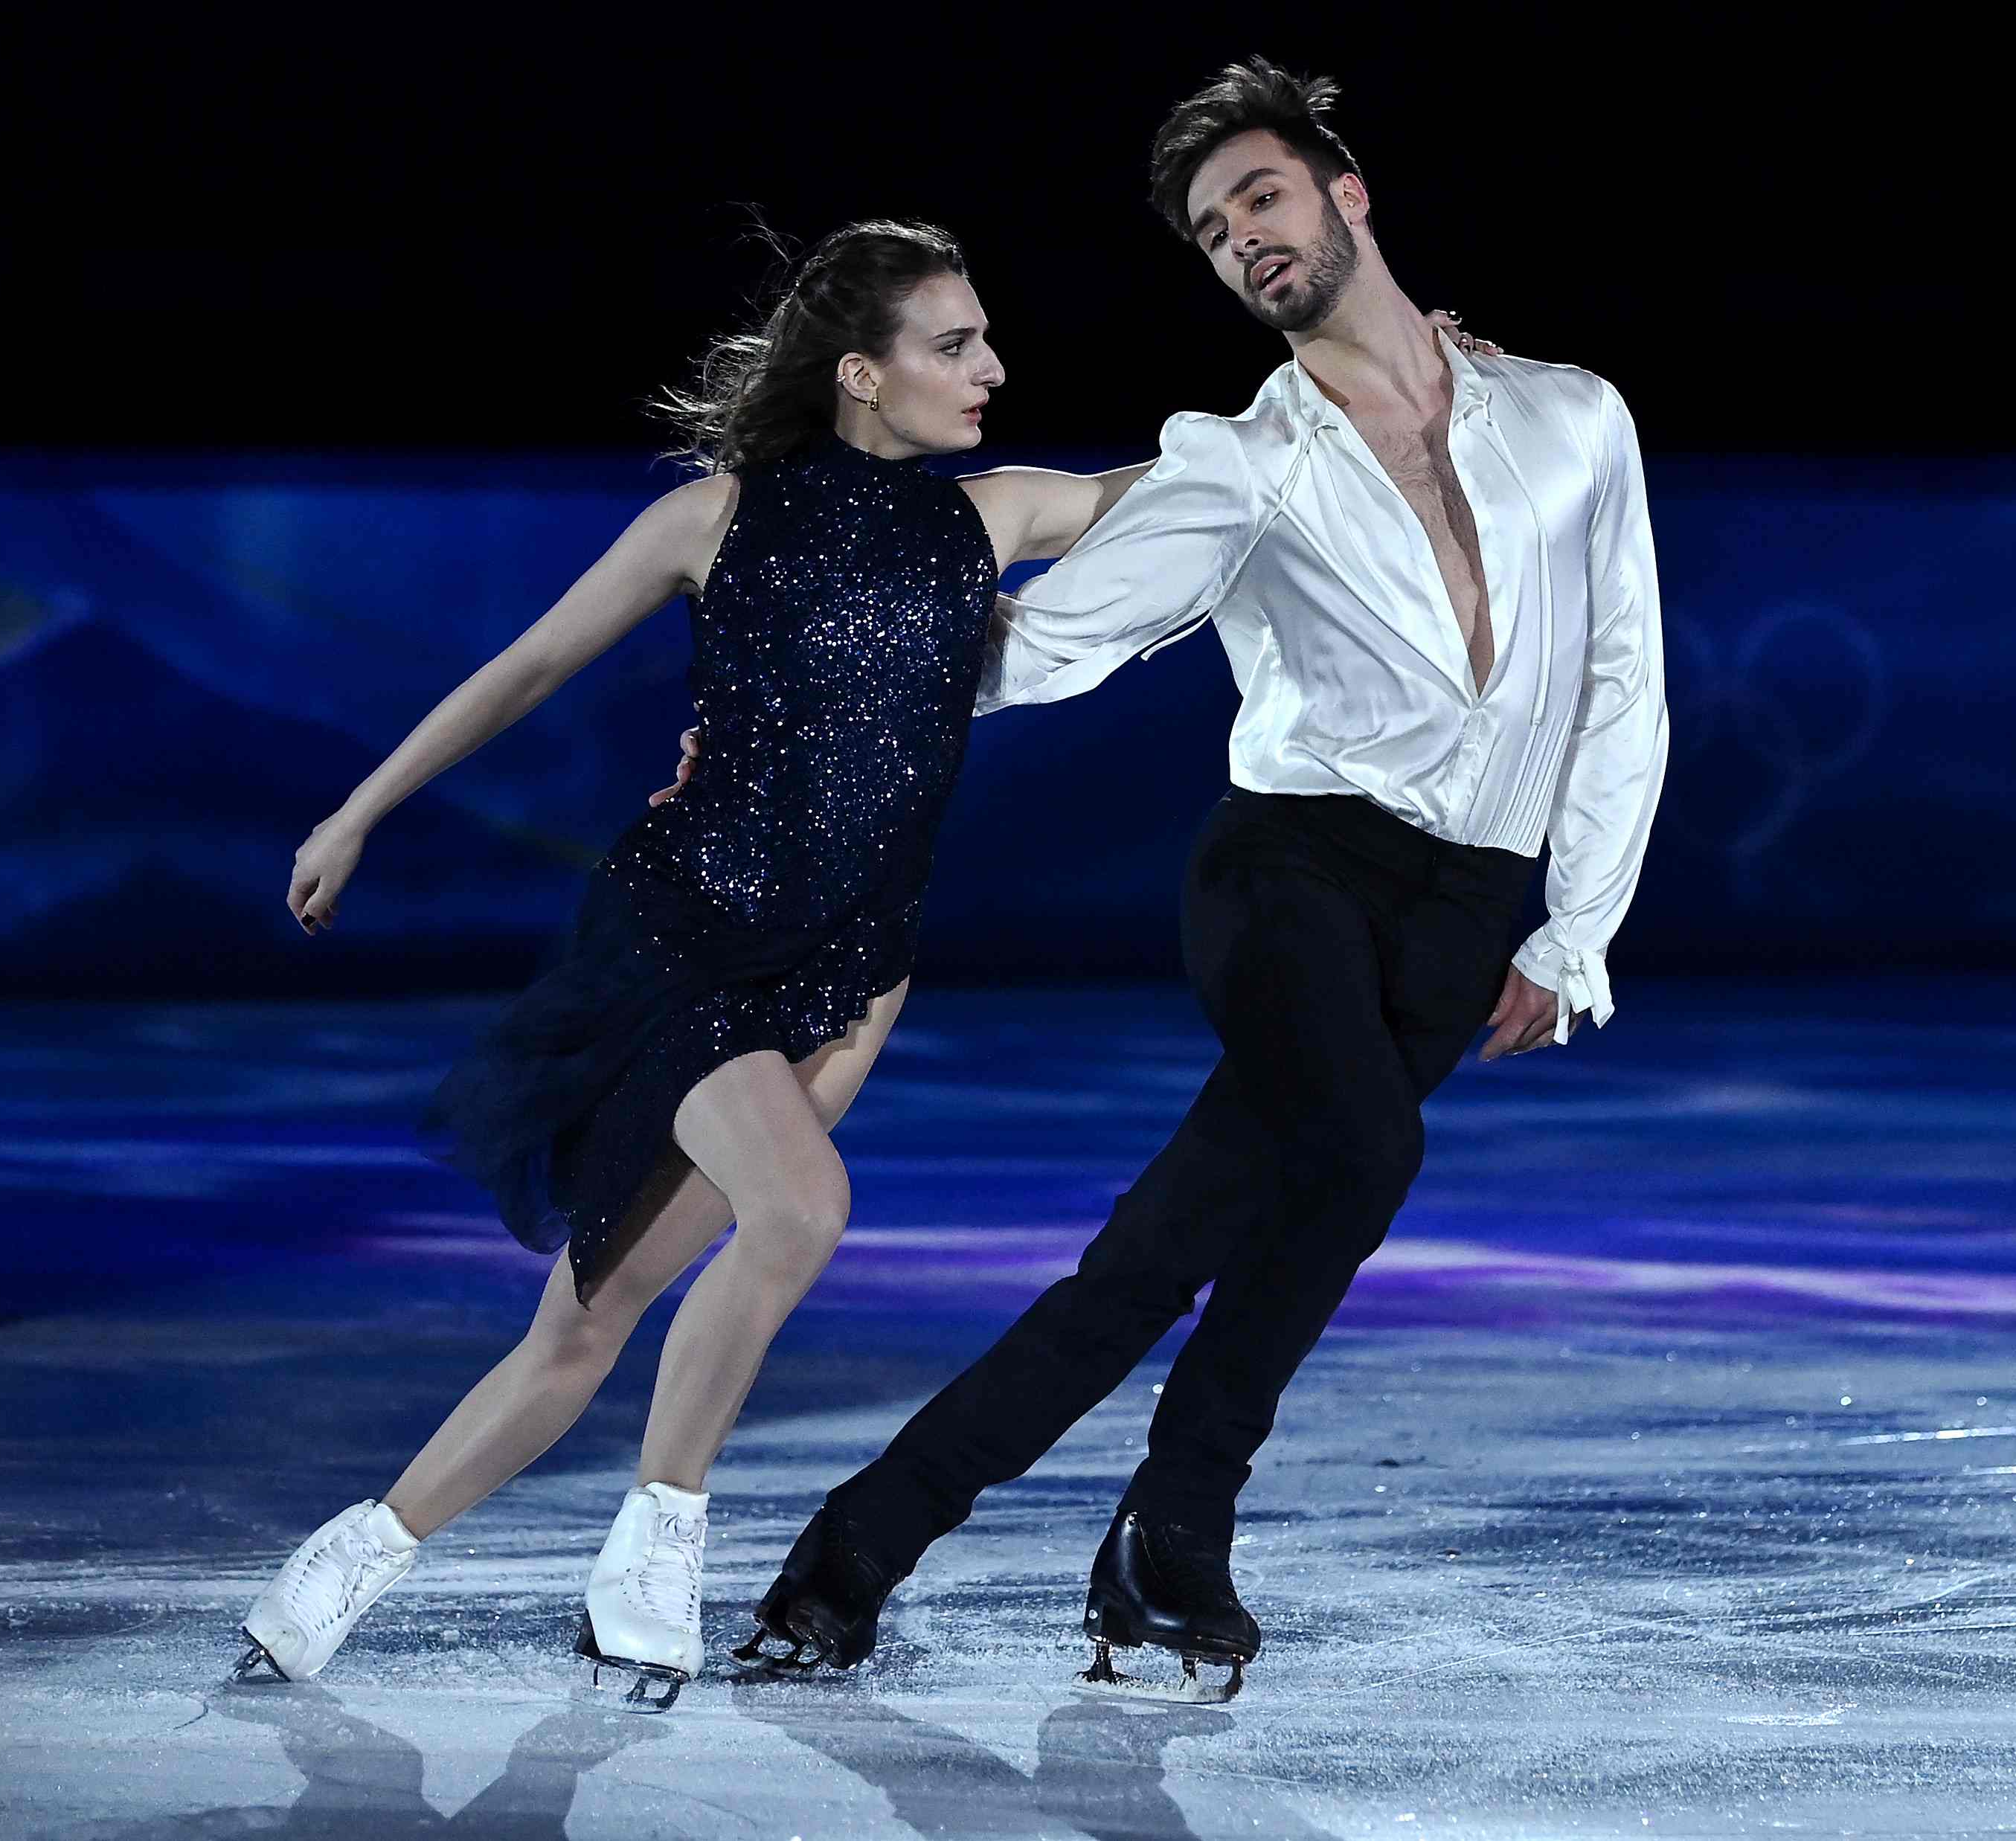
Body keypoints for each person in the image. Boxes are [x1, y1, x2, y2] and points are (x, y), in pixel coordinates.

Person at [232, 214, 1475, 1709]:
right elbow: (531, 665)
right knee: (802, 1207)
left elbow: (1202, 482)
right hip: (689, 938)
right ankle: (658, 1544)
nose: (991, 367)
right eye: (954, 344)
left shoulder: (991, 516)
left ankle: (346, 1561)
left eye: (986, 338)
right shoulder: (712, 520)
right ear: (860, 374)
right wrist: (358, 811)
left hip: (852, 976)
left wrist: (1369, 381)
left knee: (585, 1323)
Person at [736, 58, 1670, 1702]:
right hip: (1290, 875)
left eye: (1261, 196)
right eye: (1212, 231)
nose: (1242, 238)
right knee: (1365, 1150)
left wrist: (1573, 926)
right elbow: (1048, 645)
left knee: (1166, 1254)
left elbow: (1622, 677)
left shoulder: (1572, 417)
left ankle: (867, 1544)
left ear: (1344, 193)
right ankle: (1173, 1526)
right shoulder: (1239, 462)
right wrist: (818, 680)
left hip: (1466, 909)